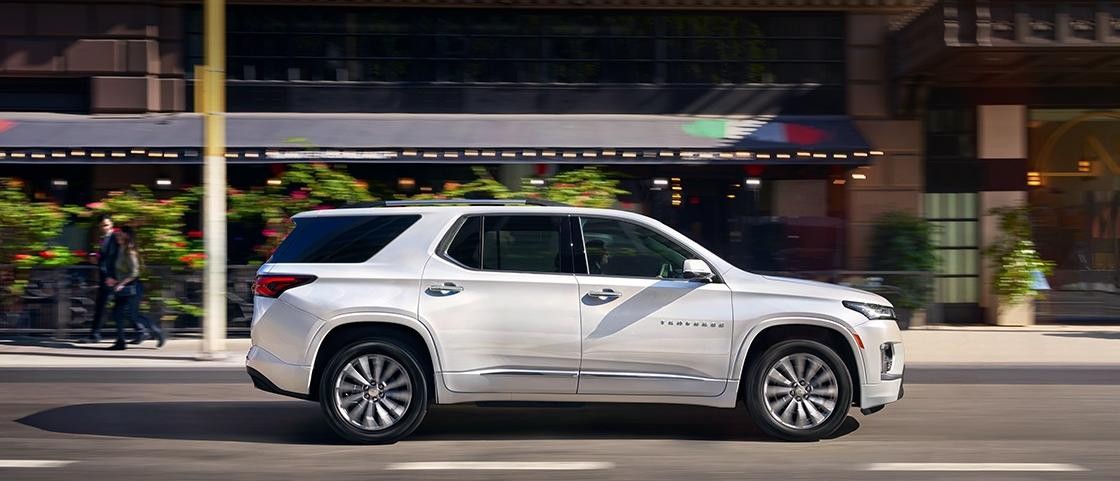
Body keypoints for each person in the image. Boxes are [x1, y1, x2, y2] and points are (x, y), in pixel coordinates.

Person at [108, 227, 165, 350]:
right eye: (117, 235)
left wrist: (122, 283)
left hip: (132, 288)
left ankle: (157, 331)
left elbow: (134, 272)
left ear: (127, 237)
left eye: (120, 235)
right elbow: (121, 270)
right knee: (117, 314)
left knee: (134, 316)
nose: (117, 237)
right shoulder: (120, 249)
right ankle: (120, 342)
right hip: (122, 287)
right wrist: (114, 280)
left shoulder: (130, 251)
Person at [77, 215, 118, 343]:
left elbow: (112, 258)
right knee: (113, 306)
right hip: (107, 277)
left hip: (110, 278)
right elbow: (105, 256)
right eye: (102, 225)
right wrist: (97, 256)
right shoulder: (105, 238)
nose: (103, 228)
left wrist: (110, 276)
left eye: (106, 225)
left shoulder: (113, 238)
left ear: (111, 225)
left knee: (105, 306)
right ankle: (141, 330)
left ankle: (95, 335)